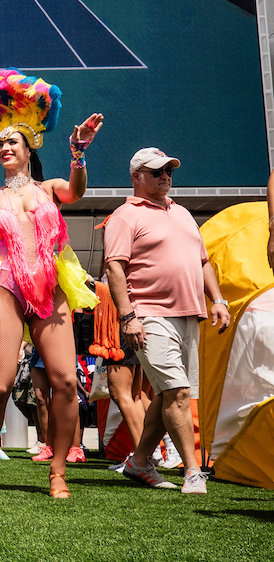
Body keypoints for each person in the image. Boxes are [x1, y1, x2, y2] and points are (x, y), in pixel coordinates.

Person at [0, 69, 102, 498]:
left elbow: (77, 192)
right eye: (1, 143)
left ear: (30, 149)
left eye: (13, 142)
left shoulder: (49, 189)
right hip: (6, 288)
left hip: (50, 289)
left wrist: (78, 153)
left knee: (65, 381)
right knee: (0, 384)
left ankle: (59, 469)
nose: (5, 147)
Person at [107, 147, 230, 494]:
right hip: (148, 314)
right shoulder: (124, 216)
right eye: (157, 171)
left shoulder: (184, 213)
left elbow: (202, 262)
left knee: (165, 395)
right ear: (136, 177)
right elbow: (115, 266)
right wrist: (128, 316)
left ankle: (139, 462)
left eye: (168, 171)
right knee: (176, 391)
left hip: (189, 314)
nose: (165, 176)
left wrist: (217, 300)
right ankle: (192, 471)